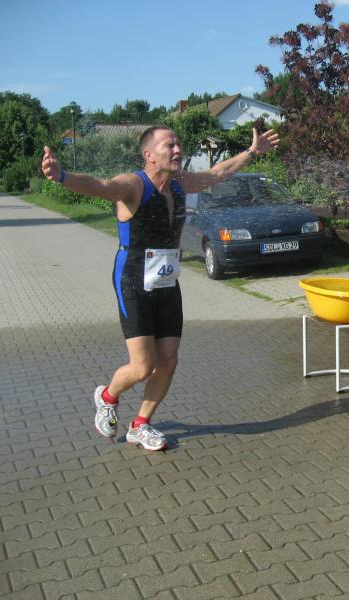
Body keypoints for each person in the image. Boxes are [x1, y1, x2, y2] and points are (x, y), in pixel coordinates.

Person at [41, 125, 280, 451]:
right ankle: (107, 396)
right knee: (142, 367)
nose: (178, 149)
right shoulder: (133, 185)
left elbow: (217, 173)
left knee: (168, 360)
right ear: (149, 155)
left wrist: (251, 152)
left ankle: (141, 424)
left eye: (179, 143)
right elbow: (99, 186)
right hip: (133, 282)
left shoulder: (180, 184)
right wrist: (61, 176)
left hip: (166, 282)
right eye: (170, 145)